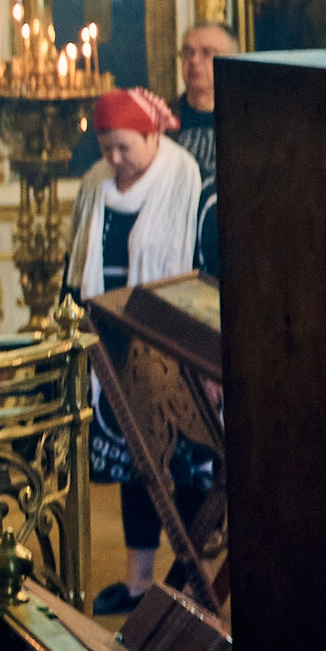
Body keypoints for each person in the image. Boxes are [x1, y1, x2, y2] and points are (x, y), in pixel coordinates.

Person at [67, 86, 212, 616]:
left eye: (124, 147)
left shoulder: (190, 183)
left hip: (173, 346)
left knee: (184, 463)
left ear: (152, 136)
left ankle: (192, 584)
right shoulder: (94, 186)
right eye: (105, 147)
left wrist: (209, 363)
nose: (113, 159)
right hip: (110, 344)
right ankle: (139, 583)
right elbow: (74, 266)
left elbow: (207, 276)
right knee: (134, 466)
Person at [173, 21, 234, 275]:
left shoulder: (249, 120)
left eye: (207, 53)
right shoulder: (163, 121)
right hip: (176, 251)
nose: (194, 61)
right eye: (188, 52)